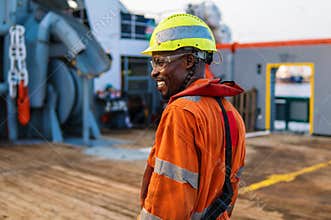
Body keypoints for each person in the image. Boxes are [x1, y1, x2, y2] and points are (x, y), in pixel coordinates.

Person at [139, 13, 246, 220]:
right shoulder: (232, 115)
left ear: (189, 60)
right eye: (153, 63)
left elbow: (168, 202)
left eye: (160, 61)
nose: (154, 72)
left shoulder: (181, 113)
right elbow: (230, 191)